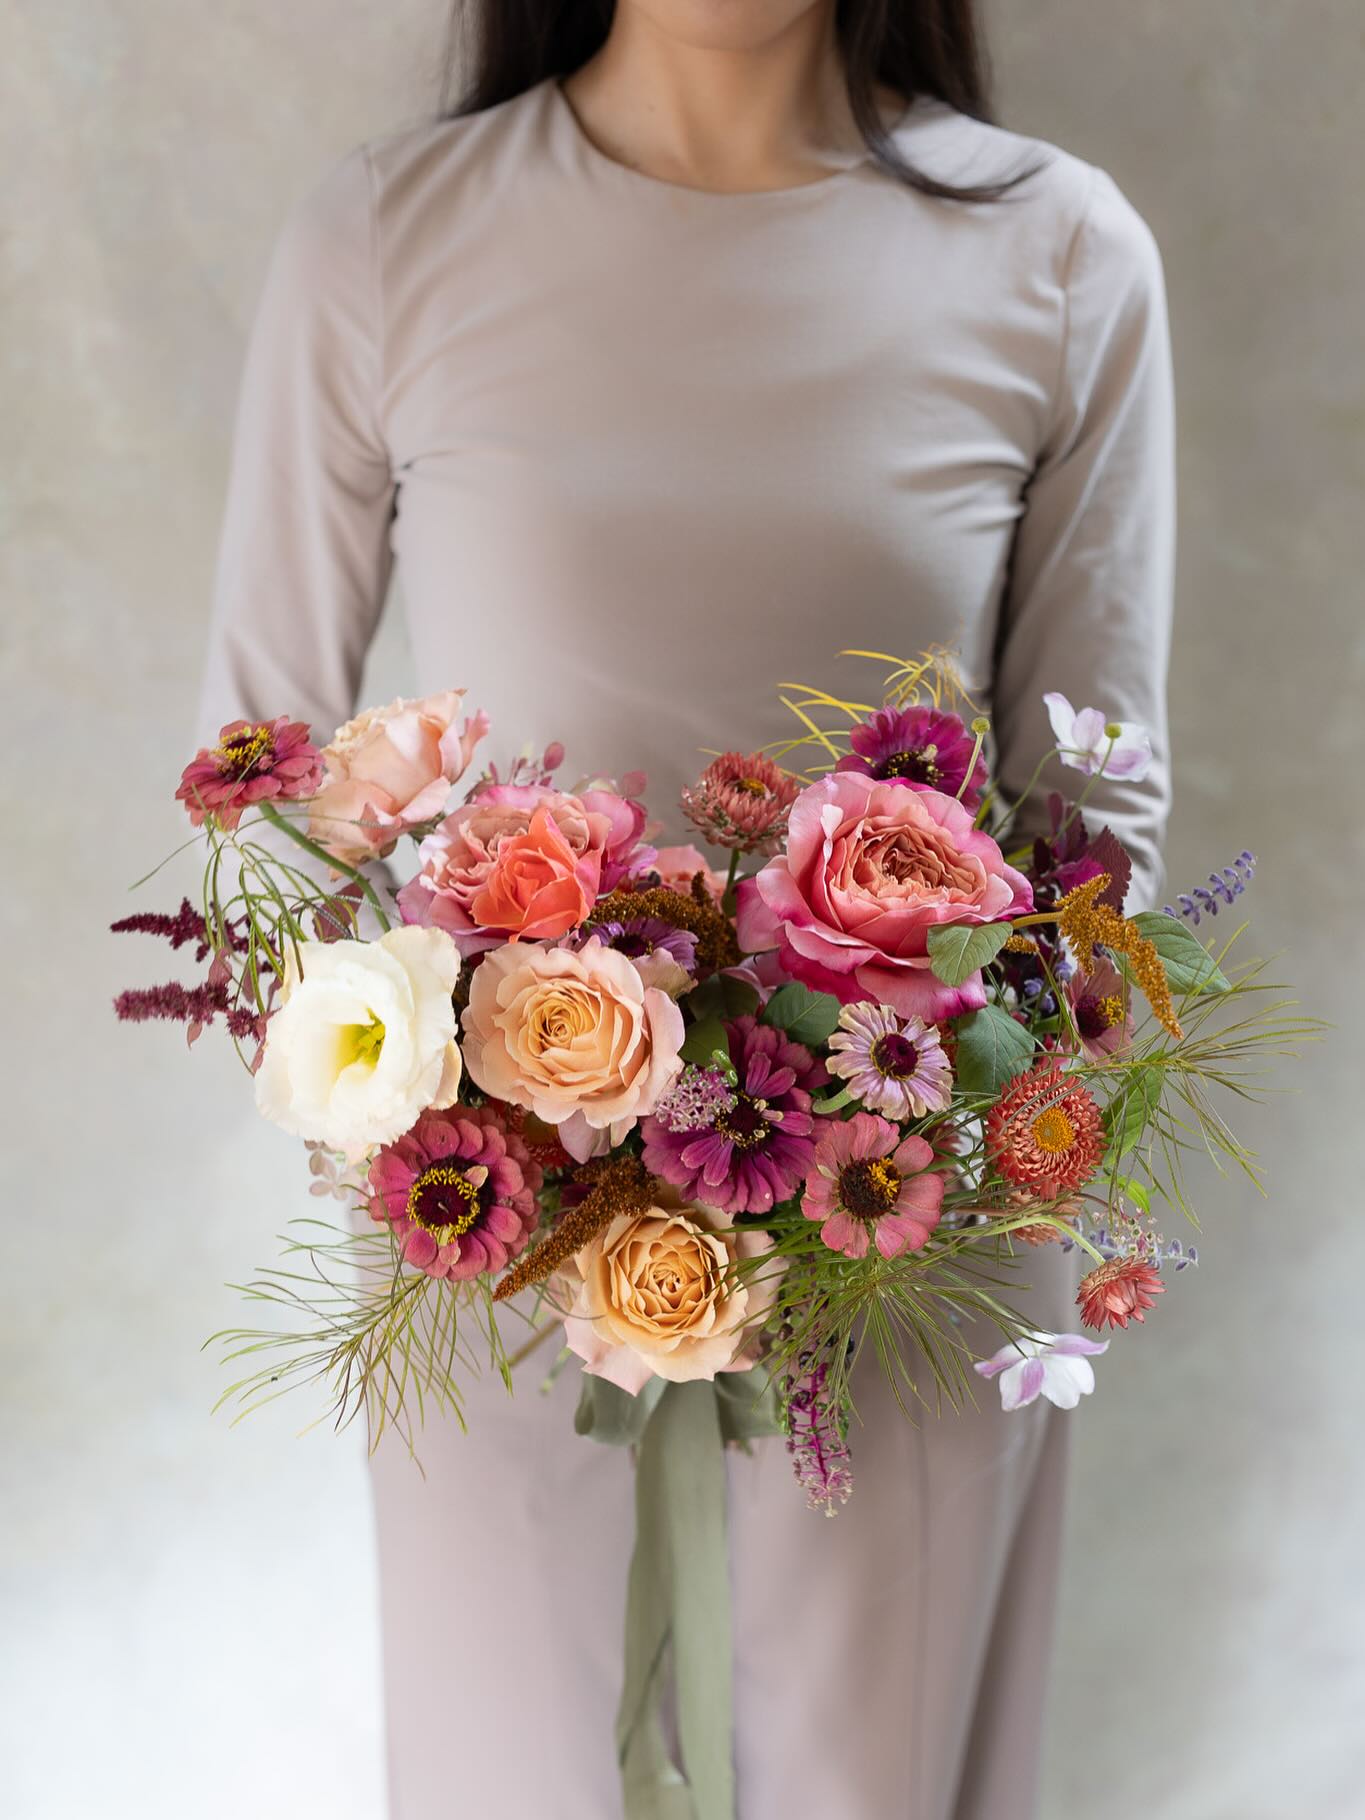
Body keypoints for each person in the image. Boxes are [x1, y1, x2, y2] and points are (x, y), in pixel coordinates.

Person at [195, 3, 1174, 1815]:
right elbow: (263, 781)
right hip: (501, 1220)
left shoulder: (1051, 248)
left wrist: (908, 1096)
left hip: (905, 1220)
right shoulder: (390, 235)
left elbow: (1091, 814)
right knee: (524, 1775)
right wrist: (456, 1102)